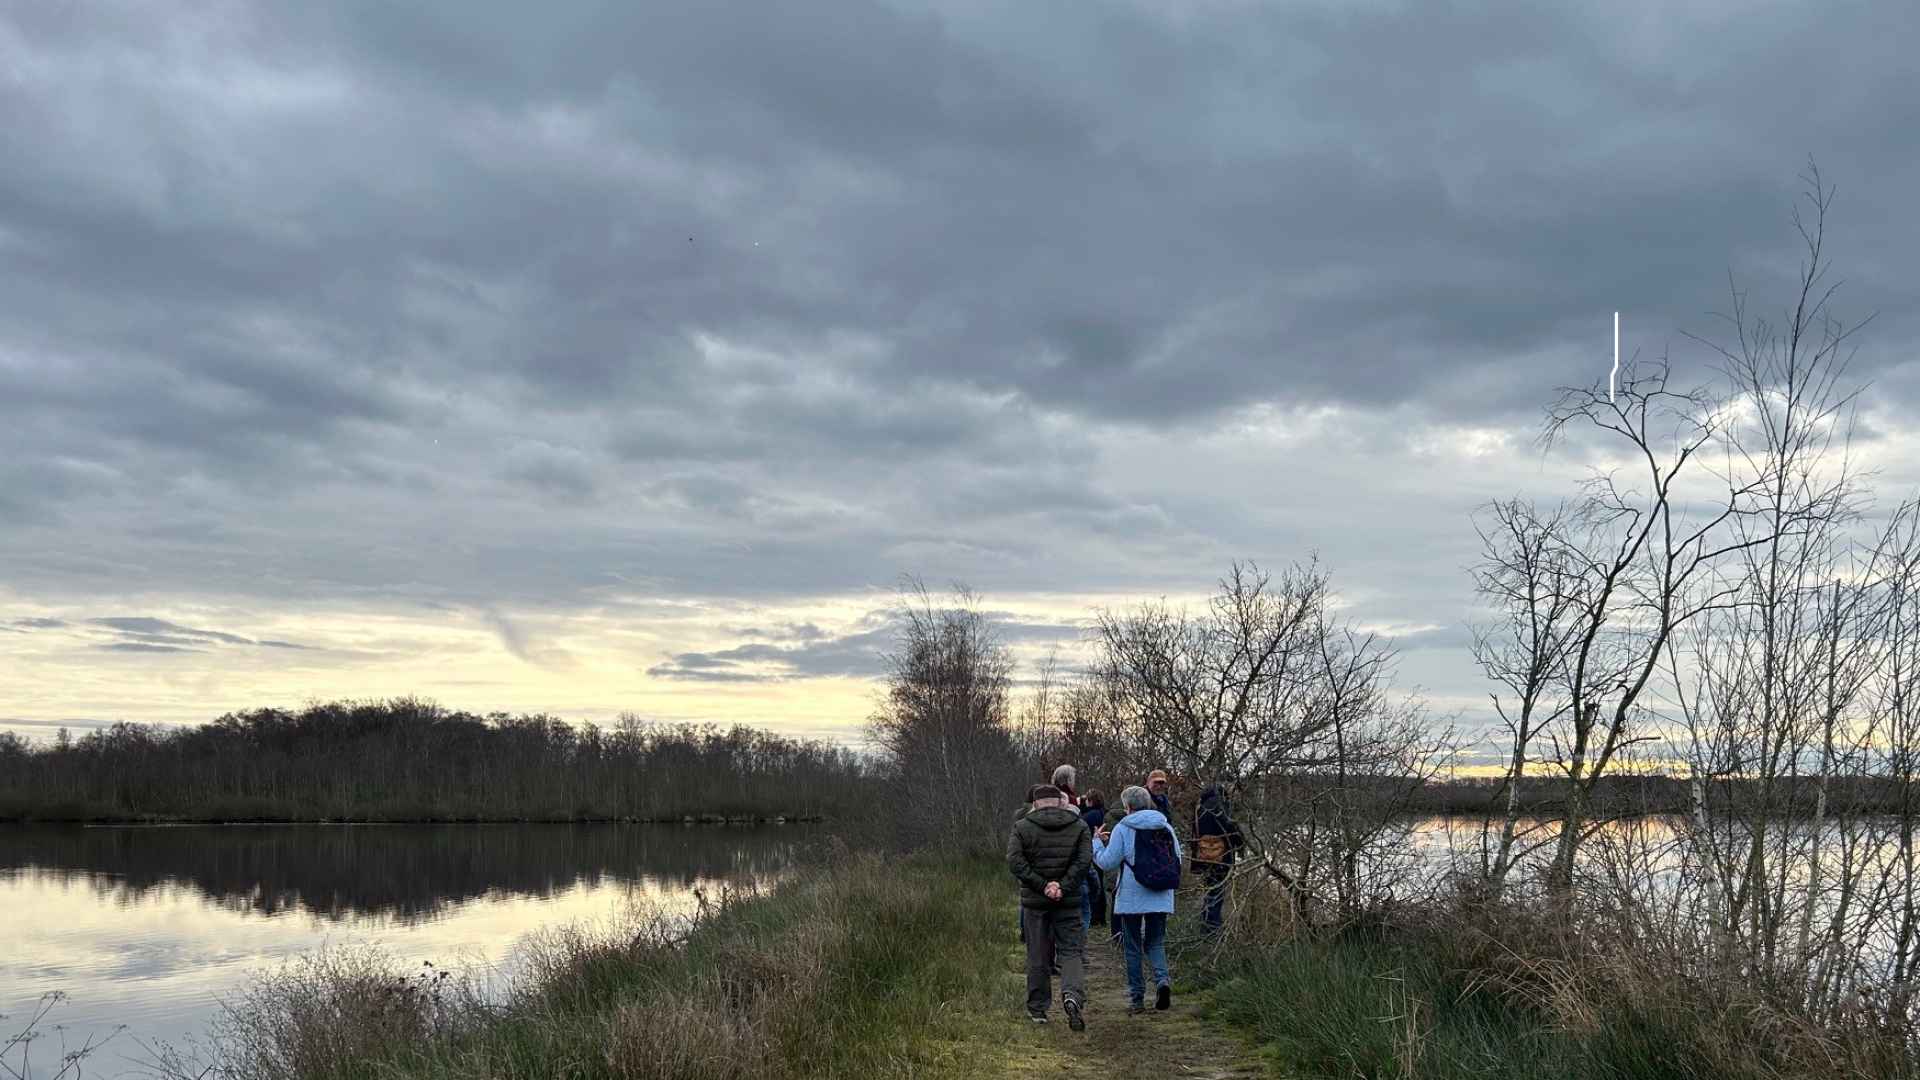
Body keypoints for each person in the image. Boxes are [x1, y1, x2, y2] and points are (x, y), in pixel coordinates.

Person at [1007, 784, 1094, 1029]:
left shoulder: (1021, 827)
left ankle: (1038, 1009)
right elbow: (1084, 861)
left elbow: (1015, 861)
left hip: (1035, 902)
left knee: (1037, 954)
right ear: (1060, 803)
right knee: (1071, 951)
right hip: (1068, 900)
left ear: (1034, 804)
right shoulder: (1079, 827)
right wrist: (1062, 887)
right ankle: (1072, 995)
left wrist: (1042, 885)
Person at [1093, 785, 1181, 1014]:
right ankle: (1162, 981)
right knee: (1155, 943)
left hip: (1132, 897)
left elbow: (1107, 862)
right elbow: (1178, 860)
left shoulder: (1123, 828)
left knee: (1132, 947)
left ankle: (1137, 998)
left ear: (1127, 806)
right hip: (1161, 893)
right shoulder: (1166, 826)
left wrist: (1096, 842)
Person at [1193, 780, 1244, 936]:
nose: (1235, 792)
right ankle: (1213, 934)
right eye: (1234, 787)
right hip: (1218, 856)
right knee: (1216, 896)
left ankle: (1205, 931)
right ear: (1227, 785)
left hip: (1204, 854)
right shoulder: (1218, 802)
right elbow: (1228, 827)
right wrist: (1240, 843)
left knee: (1210, 893)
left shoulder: (1202, 803)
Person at [1080, 790, 1108, 928]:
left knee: (1093, 885)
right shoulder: (1103, 812)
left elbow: (1080, 823)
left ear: (1090, 800)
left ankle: (1094, 917)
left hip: (1091, 849)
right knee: (1099, 884)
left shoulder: (1092, 814)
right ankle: (1101, 917)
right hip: (1101, 848)